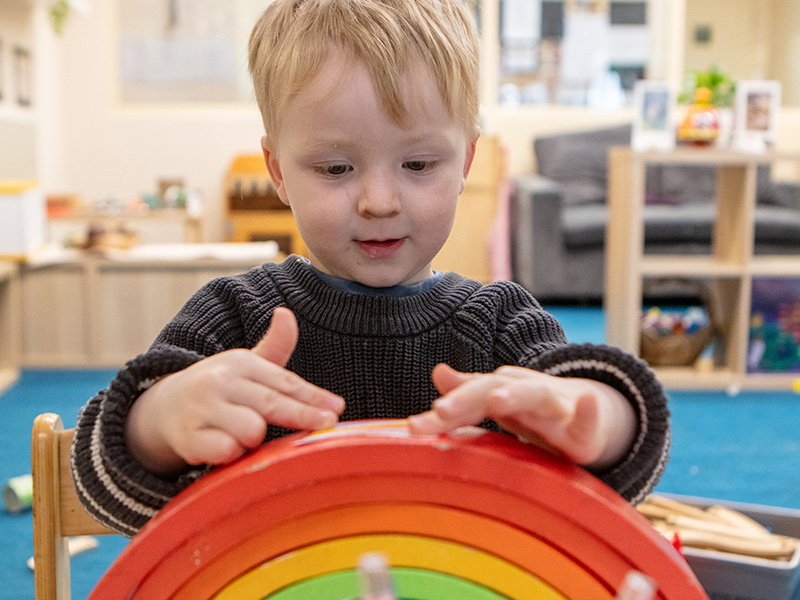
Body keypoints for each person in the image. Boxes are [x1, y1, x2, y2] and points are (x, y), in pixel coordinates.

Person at [71, 0, 669, 537]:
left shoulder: (499, 323)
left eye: (417, 163)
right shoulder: (236, 316)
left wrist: (598, 423)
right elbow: (104, 473)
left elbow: (622, 449)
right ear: (278, 171)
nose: (378, 201)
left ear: (465, 160)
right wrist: (160, 423)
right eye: (335, 169)